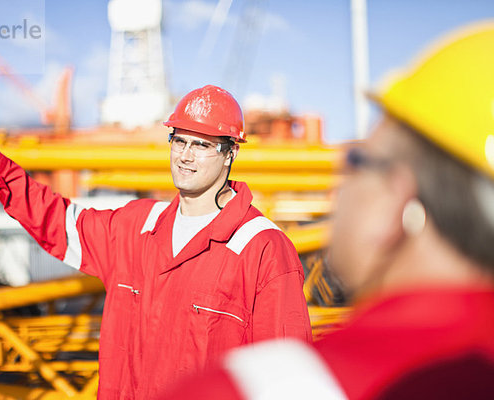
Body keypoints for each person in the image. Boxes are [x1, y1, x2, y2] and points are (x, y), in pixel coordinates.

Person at [157, 21, 494, 400]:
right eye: (180, 142)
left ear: (396, 201)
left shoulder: (248, 389)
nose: (340, 181)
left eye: (356, 159)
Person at [0, 85, 312, 399]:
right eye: (179, 140)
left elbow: (287, 381)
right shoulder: (136, 228)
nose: (184, 155)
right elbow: (55, 219)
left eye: (201, 145)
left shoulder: (262, 249)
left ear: (230, 153)